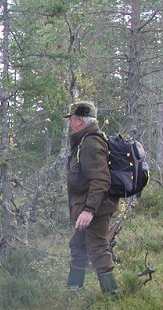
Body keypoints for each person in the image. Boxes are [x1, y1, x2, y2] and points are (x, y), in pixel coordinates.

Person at [64, 100, 120, 294]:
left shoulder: (90, 142)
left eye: (71, 119)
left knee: (97, 248)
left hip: (95, 208)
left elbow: (100, 180)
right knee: (78, 245)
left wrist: (89, 211)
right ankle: (73, 292)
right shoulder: (86, 140)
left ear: (79, 120)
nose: (69, 123)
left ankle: (112, 296)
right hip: (87, 206)